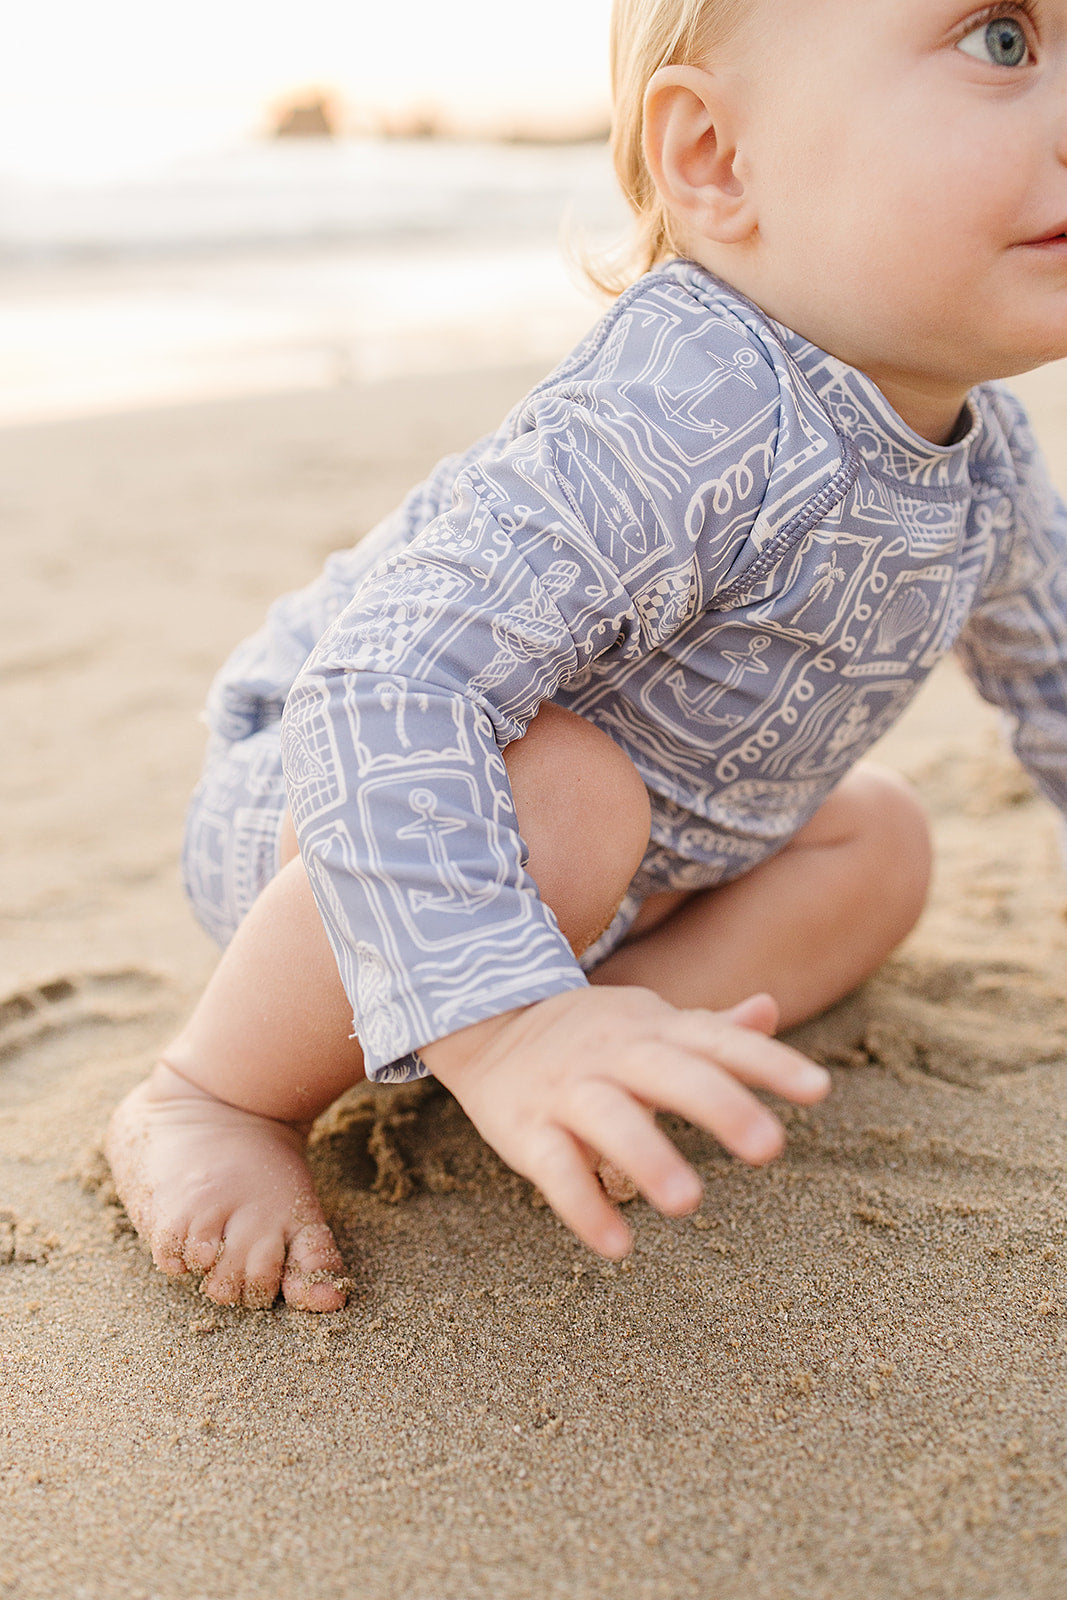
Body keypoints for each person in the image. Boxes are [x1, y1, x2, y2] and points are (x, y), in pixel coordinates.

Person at [107, 0, 1067, 1311]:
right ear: (717, 157)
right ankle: (213, 1090)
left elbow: (1053, 680)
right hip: (338, 804)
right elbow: (386, 687)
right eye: (1003, 41)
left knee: (882, 843)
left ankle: (597, 1029)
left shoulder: (992, 458)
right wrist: (501, 1021)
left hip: (644, 871)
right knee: (571, 792)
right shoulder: (684, 405)